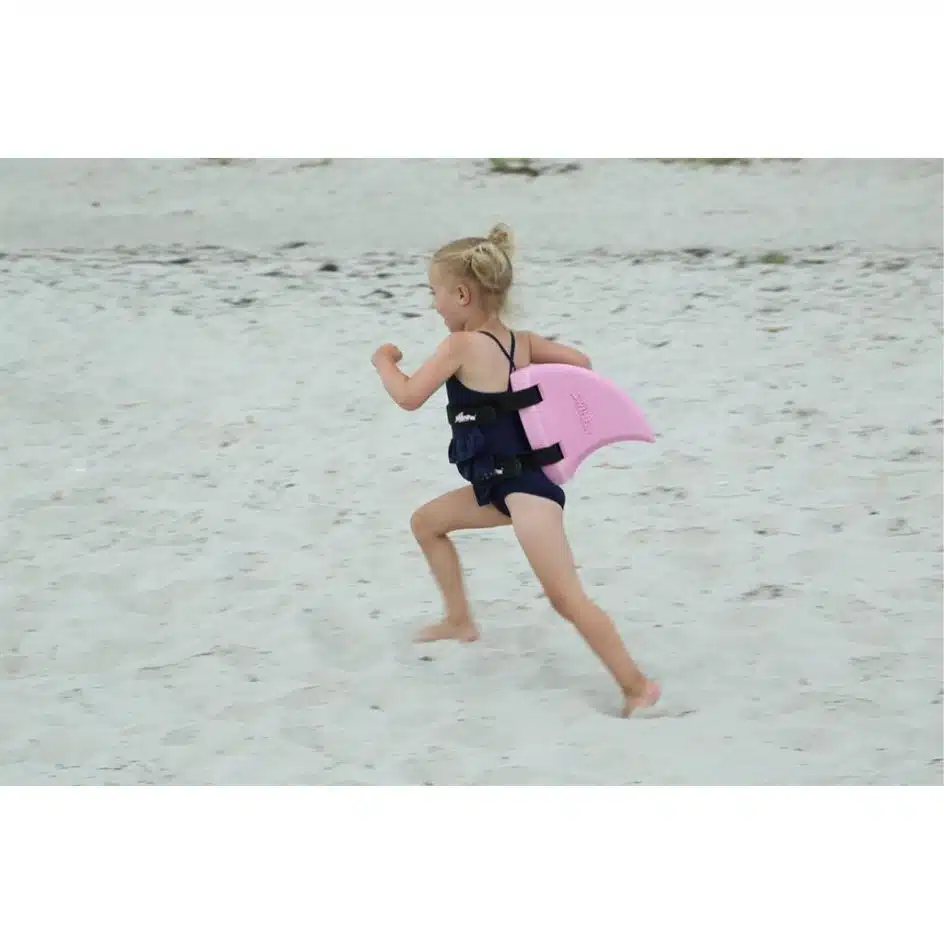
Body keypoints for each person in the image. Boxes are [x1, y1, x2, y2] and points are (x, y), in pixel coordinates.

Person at [371, 223, 660, 717]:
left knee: (565, 598)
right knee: (427, 523)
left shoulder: (460, 347)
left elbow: (408, 396)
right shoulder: (518, 342)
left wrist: (383, 361)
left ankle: (636, 686)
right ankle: (459, 620)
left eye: (435, 293)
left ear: (462, 295)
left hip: (526, 494)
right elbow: (581, 362)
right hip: (500, 486)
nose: (434, 305)